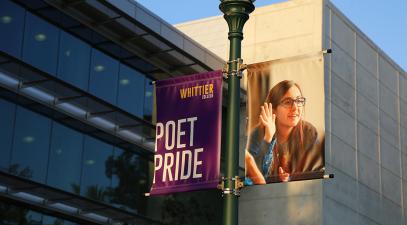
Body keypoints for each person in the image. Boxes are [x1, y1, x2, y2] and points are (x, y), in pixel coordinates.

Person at [245, 80, 324, 184]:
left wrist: (288, 180)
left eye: (299, 101)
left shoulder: (309, 133)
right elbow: (252, 177)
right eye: (287, 102)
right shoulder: (257, 134)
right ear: (273, 109)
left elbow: (316, 172)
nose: (295, 108)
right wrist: (268, 137)